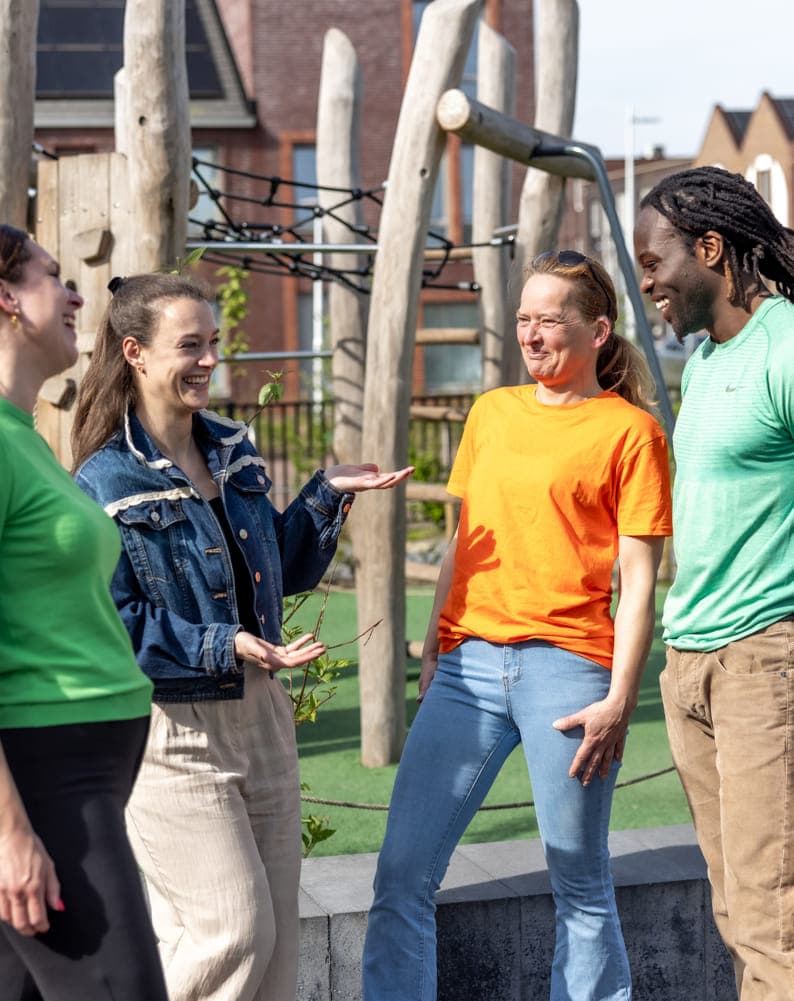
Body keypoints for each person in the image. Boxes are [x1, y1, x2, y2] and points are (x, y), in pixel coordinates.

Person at [71, 271, 413, 1001]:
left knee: (279, 951)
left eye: (214, 343)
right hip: (174, 730)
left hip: (263, 716)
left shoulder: (234, 448)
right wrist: (223, 643)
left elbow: (275, 572)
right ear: (134, 351)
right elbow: (116, 623)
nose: (208, 360)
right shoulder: (102, 482)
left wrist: (326, 497)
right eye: (189, 345)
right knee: (232, 932)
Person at [362, 250, 672, 1001]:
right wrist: (438, 642)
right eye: (523, 320)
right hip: (467, 668)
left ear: (597, 330)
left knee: (581, 880)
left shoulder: (632, 432)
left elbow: (638, 585)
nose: (530, 336)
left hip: (569, 671)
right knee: (401, 872)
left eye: (549, 320)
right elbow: (467, 538)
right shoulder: (492, 411)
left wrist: (620, 698)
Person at [634, 166, 794, 1001]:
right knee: (737, 910)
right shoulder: (702, 364)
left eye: (653, 260)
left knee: (775, 920)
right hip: (690, 660)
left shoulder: (789, 347)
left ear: (710, 247)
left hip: (763, 660)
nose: (647, 281)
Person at [0, 225, 167, 999]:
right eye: (52, 278)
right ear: (5, 299)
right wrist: (8, 832)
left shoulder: (24, 438)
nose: (75, 296)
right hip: (43, 770)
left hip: (81, 763)